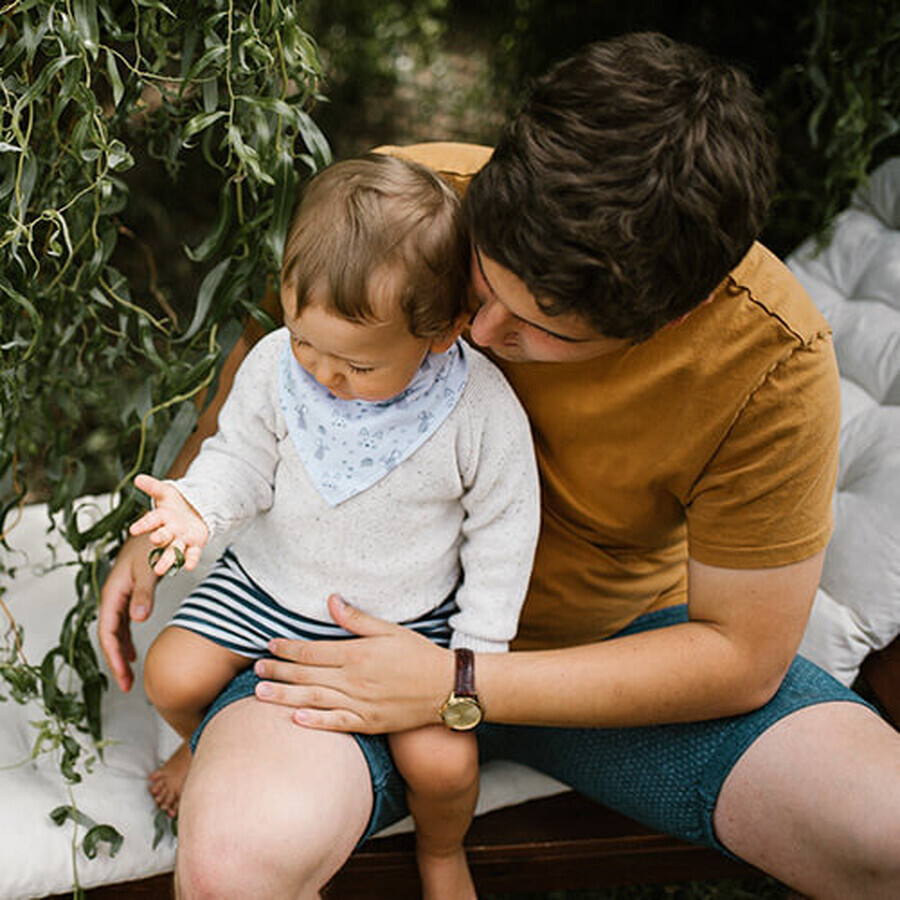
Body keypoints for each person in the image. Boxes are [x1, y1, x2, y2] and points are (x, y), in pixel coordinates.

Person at [98, 32, 900, 900]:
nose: (479, 337)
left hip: (609, 661)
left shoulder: (770, 361)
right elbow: (266, 385)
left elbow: (742, 658)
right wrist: (171, 518)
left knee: (884, 831)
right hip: (356, 634)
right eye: (483, 283)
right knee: (228, 873)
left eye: (539, 325)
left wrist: (459, 681)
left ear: (675, 315)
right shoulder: (407, 207)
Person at [117, 154, 539, 900]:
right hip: (272, 582)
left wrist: (476, 654)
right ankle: (203, 742)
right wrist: (195, 505)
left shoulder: (478, 410)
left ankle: (442, 850)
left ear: (440, 334)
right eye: (306, 341)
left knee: (443, 767)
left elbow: (504, 534)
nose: (323, 374)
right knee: (171, 673)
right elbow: (240, 460)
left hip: (408, 619)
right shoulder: (281, 368)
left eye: (357, 365)